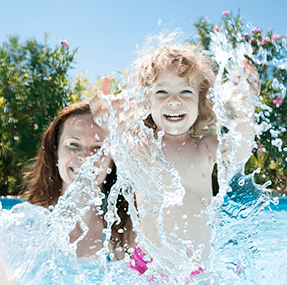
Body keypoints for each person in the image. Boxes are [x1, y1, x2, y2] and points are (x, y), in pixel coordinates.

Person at [90, 41, 260, 280]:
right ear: (145, 100)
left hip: (196, 270)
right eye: (162, 92)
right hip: (148, 266)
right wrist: (107, 119)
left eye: (185, 91)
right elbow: (117, 147)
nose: (174, 100)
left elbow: (238, 152)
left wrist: (245, 110)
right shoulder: (143, 146)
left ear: (201, 101)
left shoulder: (205, 146)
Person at [0, 101, 136, 284]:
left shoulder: (127, 230)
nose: (86, 157)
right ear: (56, 151)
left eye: (98, 147)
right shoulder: (25, 228)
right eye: (73, 144)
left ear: (112, 156)